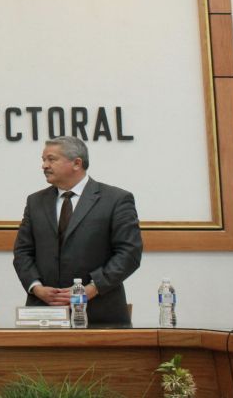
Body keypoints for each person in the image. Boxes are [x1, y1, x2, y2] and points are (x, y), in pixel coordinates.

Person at [13, 136, 143, 325]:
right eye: (43, 160)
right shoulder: (35, 202)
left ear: (77, 163)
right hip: (45, 312)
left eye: (51, 159)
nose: (44, 165)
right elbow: (22, 251)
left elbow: (129, 253)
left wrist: (91, 289)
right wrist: (36, 287)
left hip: (100, 313)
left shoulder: (116, 199)